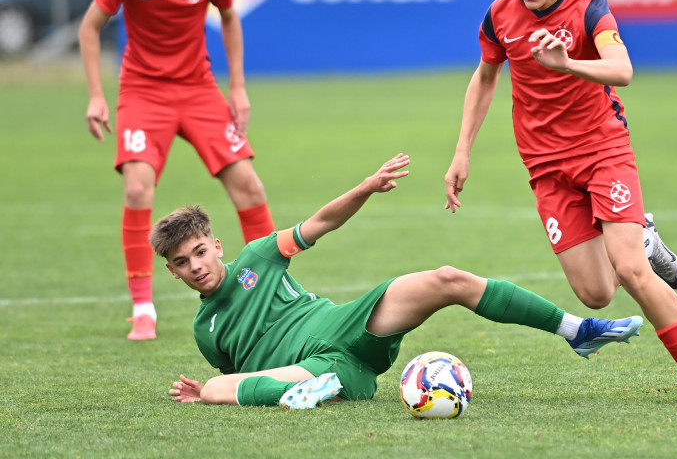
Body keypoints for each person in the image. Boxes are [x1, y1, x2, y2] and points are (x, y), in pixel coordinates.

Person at [443, 0, 677, 406]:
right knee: (596, 293)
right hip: (546, 169)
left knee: (632, 271)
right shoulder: (500, 15)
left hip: (602, 151)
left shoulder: (590, 6)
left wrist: (565, 62)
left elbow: (623, 69)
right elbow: (485, 76)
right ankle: (642, 233)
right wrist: (462, 150)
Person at [153, 154, 643, 409]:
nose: (195, 265)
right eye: (182, 262)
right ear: (172, 272)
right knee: (216, 387)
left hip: (343, 325)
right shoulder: (205, 329)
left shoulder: (260, 256)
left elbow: (320, 223)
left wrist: (365, 187)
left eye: (200, 251)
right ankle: (312, 389)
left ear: (216, 246)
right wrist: (216, 388)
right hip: (324, 368)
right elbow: (239, 371)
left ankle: (577, 331)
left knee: (447, 279)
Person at [79, 0, 275, 341]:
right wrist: (95, 95)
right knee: (138, 188)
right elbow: (90, 28)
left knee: (249, 183)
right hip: (143, 92)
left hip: (198, 89)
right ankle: (143, 308)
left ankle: (272, 287)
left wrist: (239, 87)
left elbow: (229, 16)